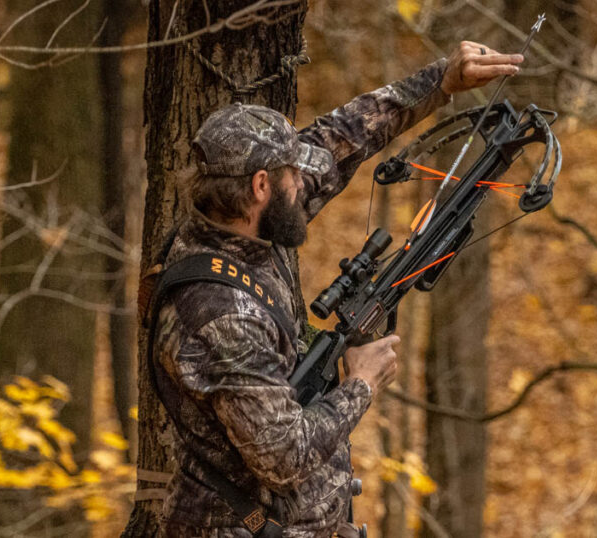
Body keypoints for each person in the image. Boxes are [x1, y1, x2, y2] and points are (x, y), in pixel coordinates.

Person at [148, 41, 524, 538]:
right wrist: (360, 384)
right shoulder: (221, 313)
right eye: (290, 175)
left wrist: (441, 81)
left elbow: (342, 136)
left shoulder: (248, 220)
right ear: (261, 186)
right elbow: (284, 456)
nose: (301, 181)